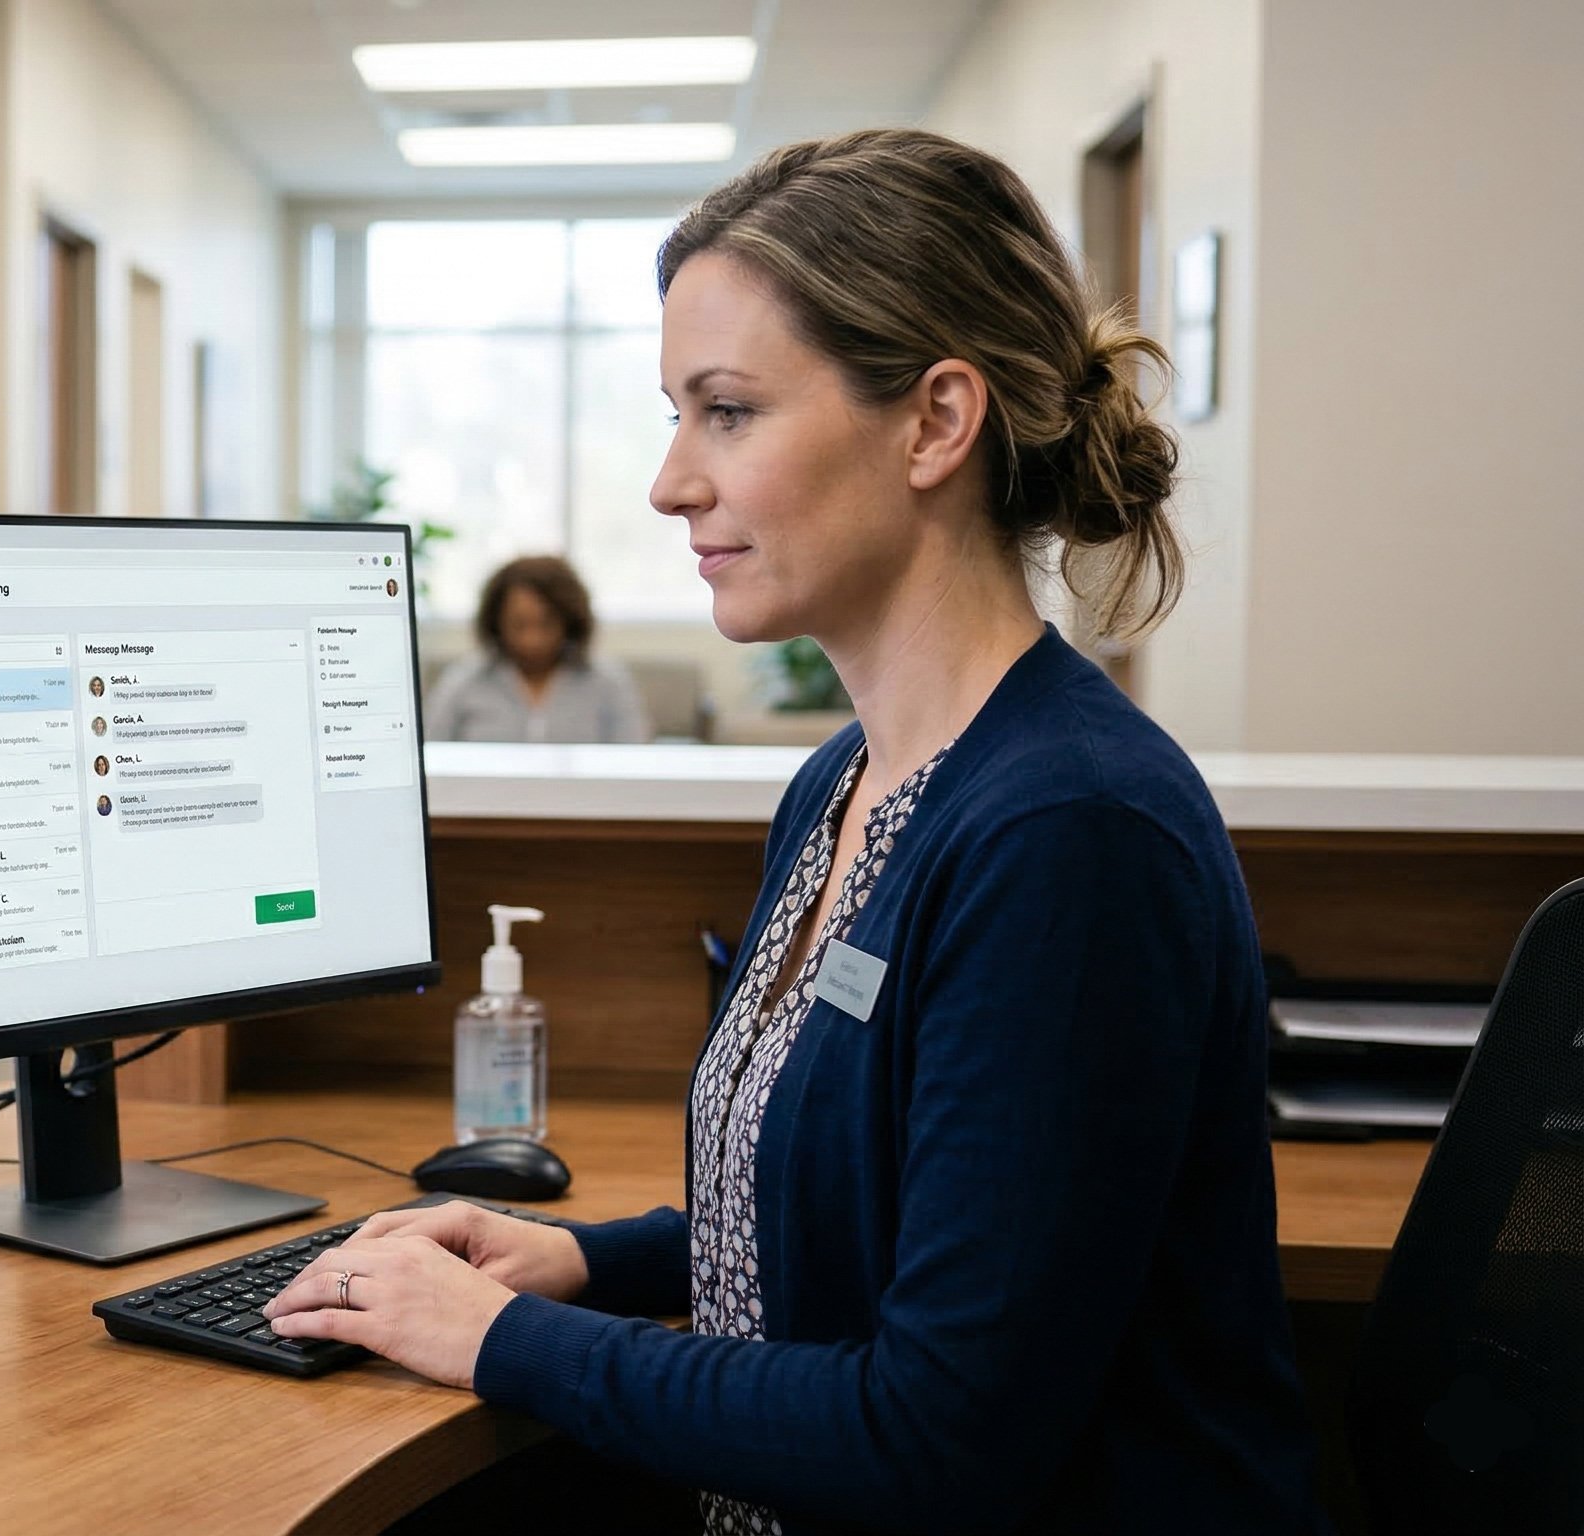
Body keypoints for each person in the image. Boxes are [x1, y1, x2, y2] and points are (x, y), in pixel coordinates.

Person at [262, 129, 1324, 1533]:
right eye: (672, 414)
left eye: (729, 412)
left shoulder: (1068, 834)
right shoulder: (845, 784)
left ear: (937, 423)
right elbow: (849, 1222)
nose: (669, 483)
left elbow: (938, 1434)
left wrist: (493, 1339)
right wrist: (576, 1262)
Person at [425, 557, 649, 744]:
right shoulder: (464, 681)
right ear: (496, 623)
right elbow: (430, 754)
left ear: (568, 622)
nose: (532, 641)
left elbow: (634, 759)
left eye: (546, 624)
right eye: (518, 625)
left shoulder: (608, 682)